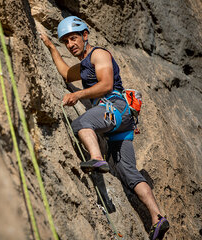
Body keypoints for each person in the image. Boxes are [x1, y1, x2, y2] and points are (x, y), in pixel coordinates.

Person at [40, 16, 169, 240]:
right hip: (119, 123)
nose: (70, 44)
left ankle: (97, 157)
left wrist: (78, 94)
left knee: (81, 123)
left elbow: (107, 85)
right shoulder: (83, 65)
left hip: (114, 107)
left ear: (85, 35)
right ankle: (158, 217)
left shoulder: (99, 54)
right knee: (127, 172)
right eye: (66, 41)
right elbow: (65, 73)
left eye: (73, 38)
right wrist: (51, 47)